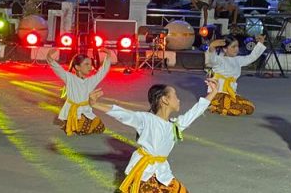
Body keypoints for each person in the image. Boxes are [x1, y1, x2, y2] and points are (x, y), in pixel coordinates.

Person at [86, 78, 219, 192]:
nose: (179, 100)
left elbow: (195, 112)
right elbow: (124, 114)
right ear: (165, 100)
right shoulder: (147, 119)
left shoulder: (175, 126)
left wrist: (213, 93)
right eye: (175, 96)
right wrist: (96, 104)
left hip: (162, 172)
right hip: (144, 173)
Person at [47, 50, 112, 135]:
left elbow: (103, 71)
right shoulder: (69, 78)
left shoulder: (91, 80)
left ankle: (75, 125)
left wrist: (108, 55)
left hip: (86, 111)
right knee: (84, 128)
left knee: (100, 128)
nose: (90, 67)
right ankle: (70, 123)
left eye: (91, 64)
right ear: (77, 67)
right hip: (72, 112)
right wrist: (49, 57)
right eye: (86, 64)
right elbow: (57, 68)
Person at [205, 35, 266, 116]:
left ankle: (219, 107)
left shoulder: (238, 60)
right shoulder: (219, 60)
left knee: (250, 107)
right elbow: (211, 60)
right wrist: (212, 47)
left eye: (237, 46)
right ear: (225, 49)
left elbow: (251, 57)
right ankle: (214, 105)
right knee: (232, 108)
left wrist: (260, 44)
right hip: (218, 94)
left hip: (231, 94)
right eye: (233, 47)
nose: (236, 49)